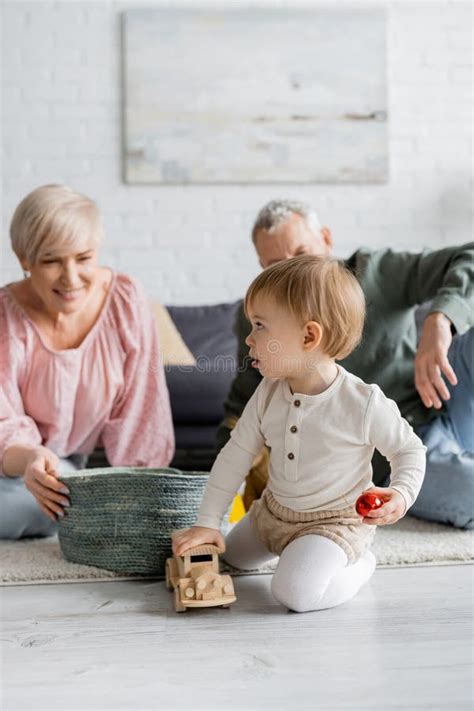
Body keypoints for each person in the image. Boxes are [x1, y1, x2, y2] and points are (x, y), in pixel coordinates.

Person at [173, 256, 426, 612]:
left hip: (333, 523)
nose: (249, 338)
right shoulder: (268, 392)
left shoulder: (362, 402)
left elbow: (409, 450)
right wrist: (208, 523)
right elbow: (235, 455)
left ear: (309, 336)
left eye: (260, 326)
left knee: (294, 594)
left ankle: (360, 563)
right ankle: (295, 552)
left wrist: (401, 493)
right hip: (274, 514)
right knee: (232, 558)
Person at [216, 200, 474, 529]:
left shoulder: (380, 271)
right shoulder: (259, 320)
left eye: (301, 252)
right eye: (275, 265)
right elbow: (240, 408)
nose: (293, 271)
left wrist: (441, 319)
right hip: (391, 453)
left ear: (325, 239)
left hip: (448, 399)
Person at [0, 184, 175, 539]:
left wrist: (139, 497)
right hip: (16, 463)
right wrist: (32, 457)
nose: (71, 278)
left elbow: (143, 409)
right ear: (23, 258)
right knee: (35, 502)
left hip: (64, 469)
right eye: (51, 260)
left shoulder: (125, 301)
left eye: (83, 258)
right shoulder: (6, 318)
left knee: (60, 493)